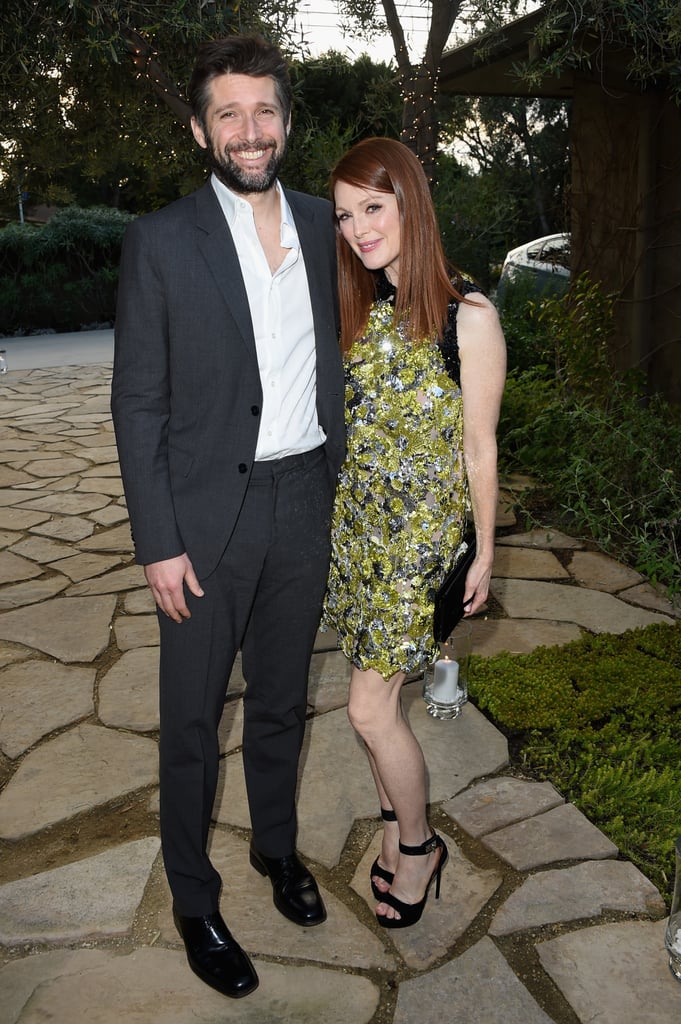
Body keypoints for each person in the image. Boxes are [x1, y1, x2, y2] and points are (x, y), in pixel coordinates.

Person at [111, 35, 345, 999]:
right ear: (200, 129)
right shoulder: (161, 241)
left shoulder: (332, 226)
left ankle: (277, 852)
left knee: (285, 701)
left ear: (286, 120)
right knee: (192, 721)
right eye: (229, 115)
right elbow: (139, 404)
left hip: (304, 501)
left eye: (265, 112)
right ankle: (194, 900)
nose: (250, 132)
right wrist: (158, 541)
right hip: (205, 520)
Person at [323, 137, 506, 928]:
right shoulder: (361, 305)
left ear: (408, 204)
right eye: (344, 215)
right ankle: (400, 834)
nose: (358, 228)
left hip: (419, 549)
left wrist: (486, 552)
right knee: (377, 708)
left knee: (368, 710)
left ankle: (422, 846)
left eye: (372, 207)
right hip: (358, 537)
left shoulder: (468, 316)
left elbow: (479, 447)